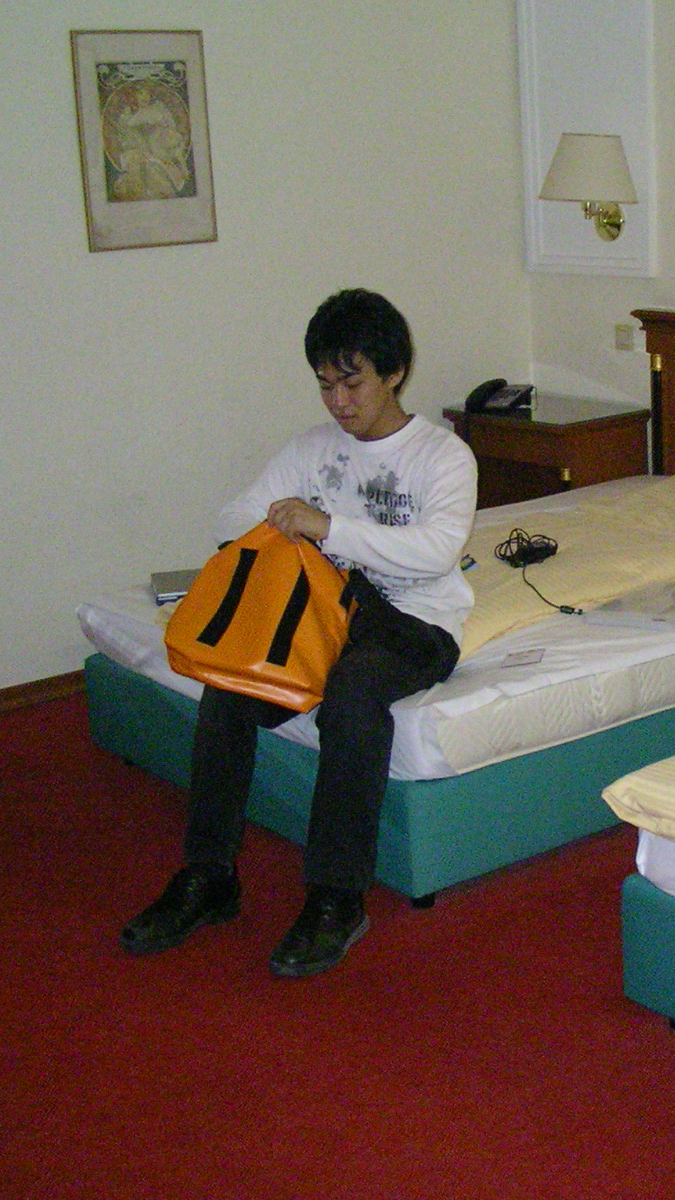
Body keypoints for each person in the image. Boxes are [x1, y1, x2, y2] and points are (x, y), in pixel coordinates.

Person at [121, 288, 478, 977]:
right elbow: (233, 520)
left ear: (394, 372)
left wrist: (328, 527)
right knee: (230, 680)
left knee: (353, 693)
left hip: (415, 621)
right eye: (324, 384)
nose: (338, 402)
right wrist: (290, 527)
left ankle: (337, 897)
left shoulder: (442, 456)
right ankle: (209, 874)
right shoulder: (312, 450)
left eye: (353, 382)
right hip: (324, 611)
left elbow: (436, 552)